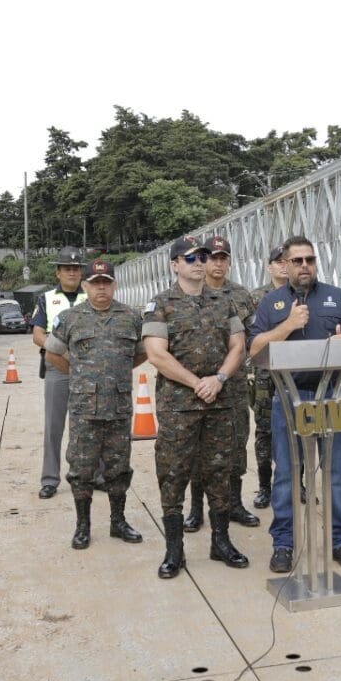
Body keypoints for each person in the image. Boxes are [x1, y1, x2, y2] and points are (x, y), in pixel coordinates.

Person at [248, 235, 341, 573]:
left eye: (310, 260)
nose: (305, 266)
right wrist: (288, 325)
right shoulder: (271, 302)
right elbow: (254, 347)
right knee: (287, 475)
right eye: (297, 261)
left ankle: (337, 541)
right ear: (285, 265)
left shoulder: (337, 297)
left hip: (331, 394)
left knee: (337, 472)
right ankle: (284, 544)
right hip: (288, 398)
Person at [142, 235, 250, 578]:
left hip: (218, 402)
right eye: (190, 258)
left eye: (203, 256)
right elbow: (157, 353)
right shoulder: (160, 303)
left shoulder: (224, 301)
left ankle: (221, 542)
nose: (200, 263)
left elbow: (238, 346)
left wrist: (218, 379)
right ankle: (175, 550)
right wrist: (196, 383)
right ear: (175, 265)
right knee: (173, 474)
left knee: (219, 471)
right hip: (179, 406)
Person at [44, 258, 148, 549]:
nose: (101, 288)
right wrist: (78, 373)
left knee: (118, 466)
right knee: (81, 468)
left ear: (114, 285)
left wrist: (120, 372)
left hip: (119, 406)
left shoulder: (130, 317)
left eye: (106, 283)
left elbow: (142, 353)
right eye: (95, 283)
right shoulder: (70, 318)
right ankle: (83, 526)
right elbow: (51, 355)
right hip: (84, 408)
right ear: (85, 285)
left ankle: (118, 522)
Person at [186, 235, 260, 532]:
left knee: (236, 443)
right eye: (212, 257)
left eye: (223, 258)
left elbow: (254, 336)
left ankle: (233, 503)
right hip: (198, 385)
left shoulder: (241, 296)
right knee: (196, 447)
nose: (218, 263)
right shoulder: (191, 292)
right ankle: (195, 508)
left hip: (234, 385)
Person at [29, 248, 87, 498]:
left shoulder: (92, 295)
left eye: (75, 268)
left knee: (88, 425)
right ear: (58, 272)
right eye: (66, 268)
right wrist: (61, 353)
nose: (71, 272)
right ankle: (50, 479)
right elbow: (38, 335)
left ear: (81, 271)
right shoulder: (46, 299)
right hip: (57, 367)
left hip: (89, 369)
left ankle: (89, 475)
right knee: (54, 426)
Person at [248, 246, 287, 509]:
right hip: (264, 373)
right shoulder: (257, 297)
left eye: (288, 261)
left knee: (297, 429)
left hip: (294, 373)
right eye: (278, 261)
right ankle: (265, 487)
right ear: (269, 266)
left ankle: (298, 483)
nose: (284, 265)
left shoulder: (303, 294)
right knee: (264, 430)